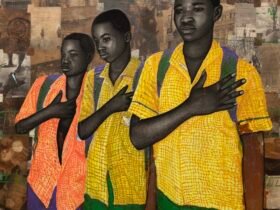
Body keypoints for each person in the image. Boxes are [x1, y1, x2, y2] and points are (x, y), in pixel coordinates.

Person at [129, 0, 272, 209]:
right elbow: (138, 136)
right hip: (168, 199)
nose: (186, 18)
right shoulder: (156, 67)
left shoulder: (241, 73)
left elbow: (253, 156)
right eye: (179, 10)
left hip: (223, 203)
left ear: (216, 13)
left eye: (197, 9)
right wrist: (191, 106)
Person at [15, 33, 95, 210]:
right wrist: (50, 112)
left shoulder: (96, 96)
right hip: (40, 185)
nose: (66, 60)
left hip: (76, 191)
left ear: (89, 57)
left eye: (73, 55)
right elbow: (20, 126)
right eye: (63, 54)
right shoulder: (44, 86)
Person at [78, 9, 147, 210]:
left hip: (131, 188)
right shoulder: (94, 79)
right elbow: (82, 130)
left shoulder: (144, 75)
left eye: (106, 39)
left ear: (126, 37)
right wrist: (111, 106)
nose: (100, 47)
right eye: (96, 40)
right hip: (96, 184)